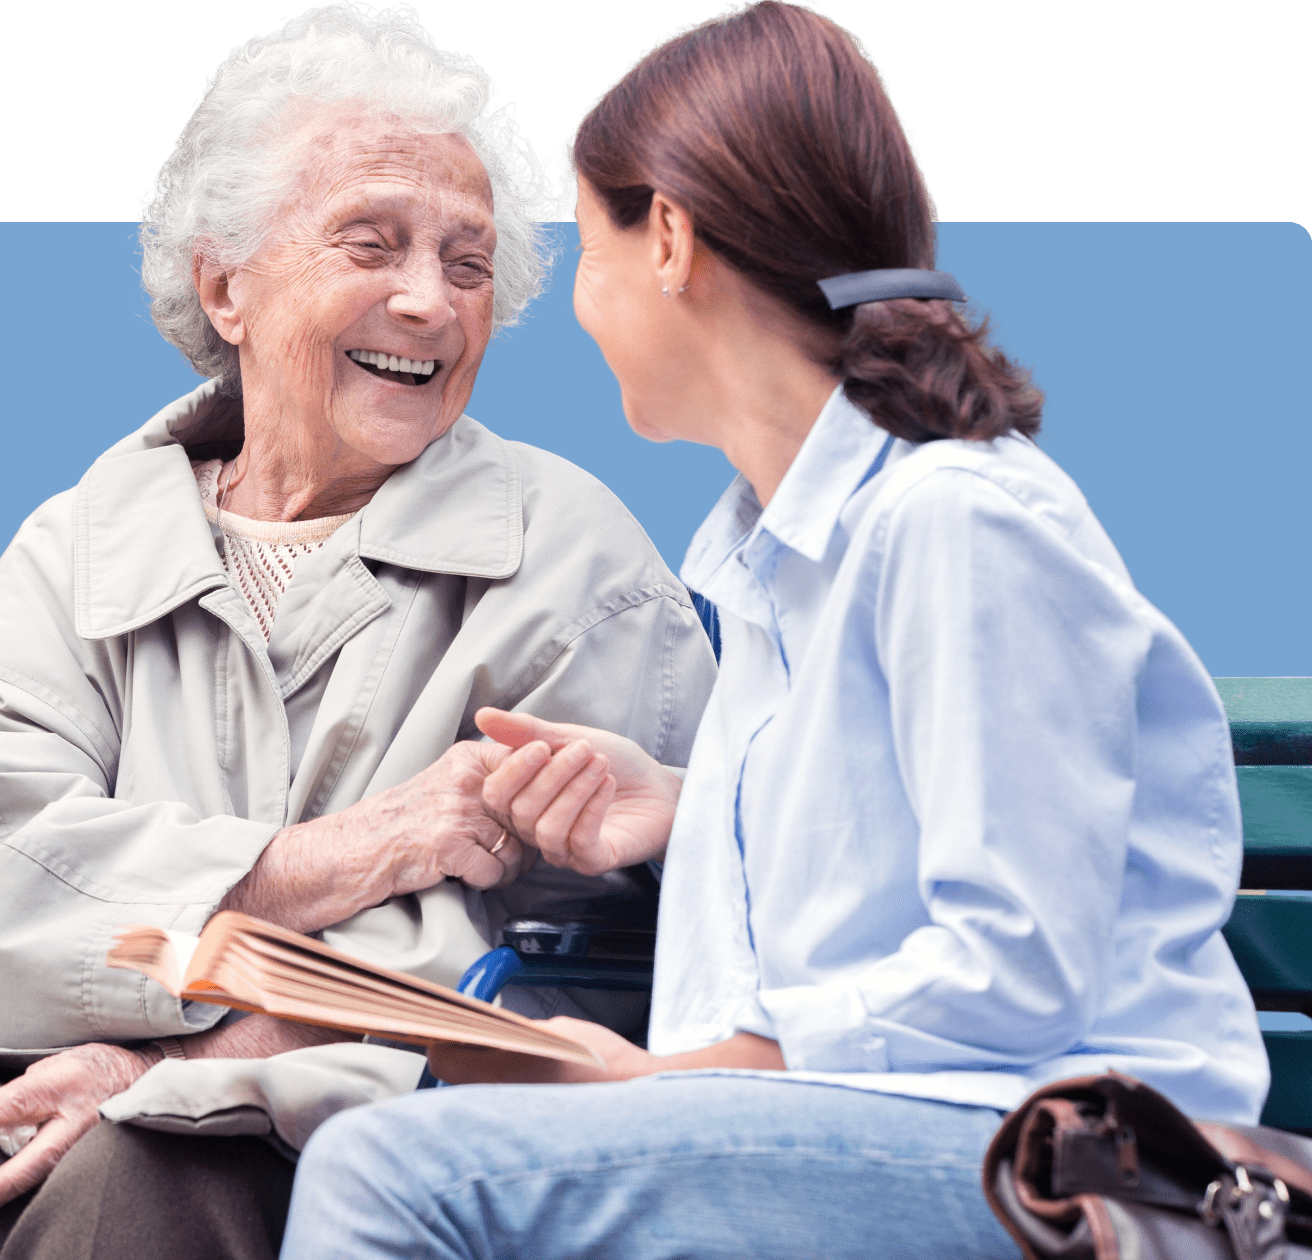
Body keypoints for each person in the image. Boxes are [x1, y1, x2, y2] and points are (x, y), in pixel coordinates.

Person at [0, 7, 716, 1258]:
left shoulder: (571, 559)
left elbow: (591, 968)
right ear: (225, 283)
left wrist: (193, 1067)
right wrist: (327, 861)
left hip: (379, 1126)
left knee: (133, 1176)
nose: (428, 301)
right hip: (60, 1051)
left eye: (466, 262)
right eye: (372, 243)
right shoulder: (77, 546)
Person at [276, 4, 1272, 1257]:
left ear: (674, 240)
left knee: (393, 1172)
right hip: (887, 1139)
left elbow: (1015, 963)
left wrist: (675, 1079)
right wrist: (692, 808)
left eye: (589, 248)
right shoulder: (784, 569)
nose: (575, 309)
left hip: (1044, 1164)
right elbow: (936, 830)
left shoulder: (958, 523)